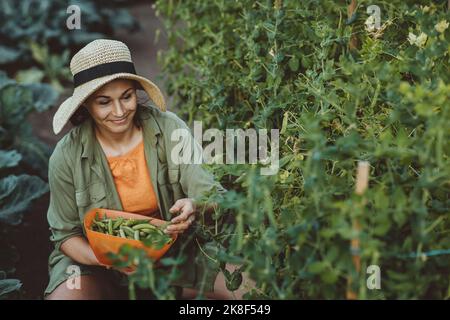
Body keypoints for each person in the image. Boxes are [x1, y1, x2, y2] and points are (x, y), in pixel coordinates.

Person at [44, 39, 253, 300]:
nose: (119, 111)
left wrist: (195, 205)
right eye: (104, 102)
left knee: (252, 291)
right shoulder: (66, 156)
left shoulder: (169, 129)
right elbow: (66, 235)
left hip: (175, 254)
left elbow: (212, 194)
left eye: (127, 97)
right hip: (96, 264)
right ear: (85, 104)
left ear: (136, 91)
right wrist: (108, 259)